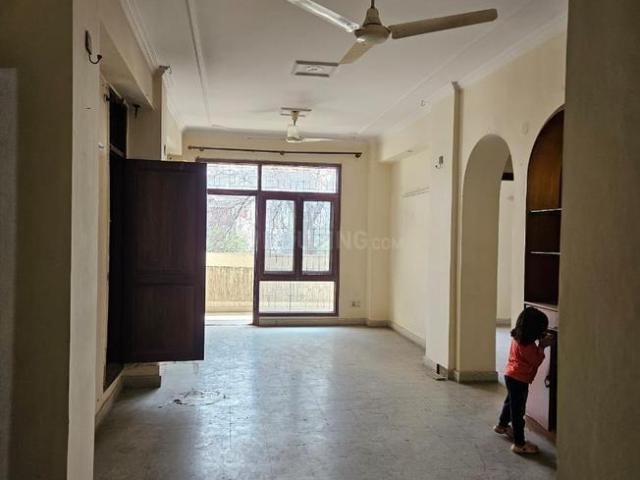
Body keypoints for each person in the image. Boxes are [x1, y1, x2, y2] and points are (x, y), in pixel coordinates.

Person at [493, 307, 554, 454]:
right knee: (518, 411)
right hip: (519, 379)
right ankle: (519, 444)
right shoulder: (528, 346)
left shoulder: (518, 338)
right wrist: (542, 346)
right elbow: (536, 361)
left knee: (510, 402)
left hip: (511, 375)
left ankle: (502, 425)